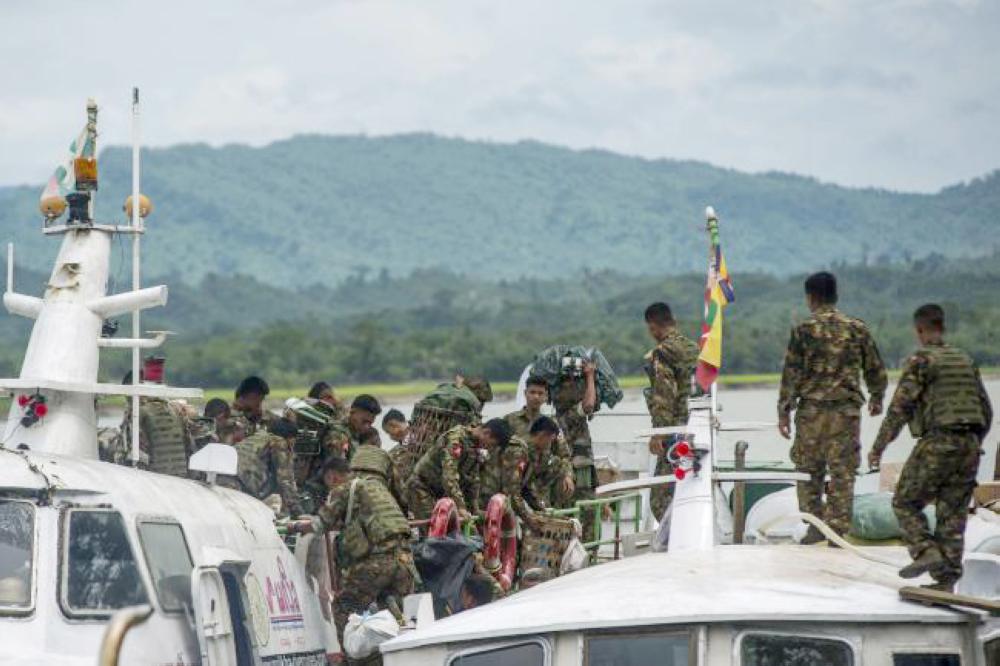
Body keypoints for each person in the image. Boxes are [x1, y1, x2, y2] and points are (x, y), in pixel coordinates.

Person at [868, 304, 992, 590]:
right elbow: (985, 410)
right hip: (970, 444)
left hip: (939, 440)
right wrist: (974, 442)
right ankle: (946, 579)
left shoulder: (921, 360)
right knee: (953, 512)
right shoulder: (964, 359)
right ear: (942, 327)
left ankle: (925, 551)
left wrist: (878, 448)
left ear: (920, 330)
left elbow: (900, 409)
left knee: (905, 501)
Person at [778, 272, 887, 544]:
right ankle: (837, 530)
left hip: (811, 412)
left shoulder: (803, 330)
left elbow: (791, 373)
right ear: (835, 295)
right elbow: (874, 367)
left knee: (808, 470)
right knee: (842, 471)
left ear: (810, 297)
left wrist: (784, 410)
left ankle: (815, 525)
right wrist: (877, 396)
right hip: (845, 413)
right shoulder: (857, 328)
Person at [293, 445, 416, 651]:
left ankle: (350, 657)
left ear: (333, 477)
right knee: (395, 615)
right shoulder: (382, 491)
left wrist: (297, 526)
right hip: (405, 561)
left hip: (377, 562)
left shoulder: (349, 488)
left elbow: (319, 523)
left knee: (344, 606)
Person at [643, 302, 699, 520]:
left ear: (652, 326)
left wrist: (659, 433)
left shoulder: (663, 352)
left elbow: (664, 395)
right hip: (696, 428)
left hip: (675, 433)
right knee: (689, 485)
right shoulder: (694, 348)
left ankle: (674, 543)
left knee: (660, 498)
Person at [408, 419, 511, 521]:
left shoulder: (476, 446)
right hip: (422, 487)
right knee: (435, 528)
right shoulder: (456, 439)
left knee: (465, 529)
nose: (489, 448)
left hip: (442, 493)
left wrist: (474, 508)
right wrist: (461, 507)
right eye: (491, 444)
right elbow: (449, 476)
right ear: (486, 432)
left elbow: (473, 479)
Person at [552, 359, 599, 543]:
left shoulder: (559, 416)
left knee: (584, 511)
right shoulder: (569, 415)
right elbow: (588, 405)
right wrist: (590, 376)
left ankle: (586, 547)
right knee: (583, 512)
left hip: (579, 467)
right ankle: (585, 548)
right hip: (574, 469)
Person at [218, 417, 302, 518]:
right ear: (290, 438)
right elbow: (286, 480)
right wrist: (298, 512)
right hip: (240, 483)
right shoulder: (279, 442)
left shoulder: (256, 437)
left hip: (220, 476)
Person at [523, 416, 574, 512]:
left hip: (534, 496)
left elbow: (564, 458)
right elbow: (518, 487)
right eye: (550, 440)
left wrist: (567, 475)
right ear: (542, 435)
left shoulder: (543, 453)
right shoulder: (522, 451)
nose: (550, 445)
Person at [328, 394, 383, 461]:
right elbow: (339, 466)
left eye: (370, 423)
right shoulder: (338, 434)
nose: (367, 427)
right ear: (352, 412)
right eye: (364, 421)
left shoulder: (366, 433)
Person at [384, 409, 416, 515]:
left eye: (389, 432)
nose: (390, 437)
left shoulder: (416, 437)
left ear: (393, 425)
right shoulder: (398, 447)